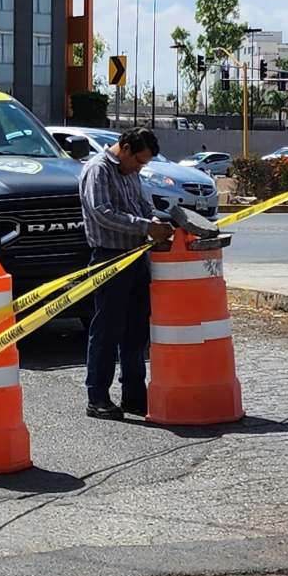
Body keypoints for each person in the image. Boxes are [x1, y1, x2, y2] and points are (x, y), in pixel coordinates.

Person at [77, 127, 173, 420]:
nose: (140, 168)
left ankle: (134, 396)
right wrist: (145, 226)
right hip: (109, 257)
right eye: (139, 161)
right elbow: (102, 213)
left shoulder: (131, 172)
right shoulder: (98, 170)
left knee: (136, 332)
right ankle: (97, 398)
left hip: (136, 257)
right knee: (107, 330)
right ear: (126, 148)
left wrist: (155, 221)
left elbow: (142, 206)